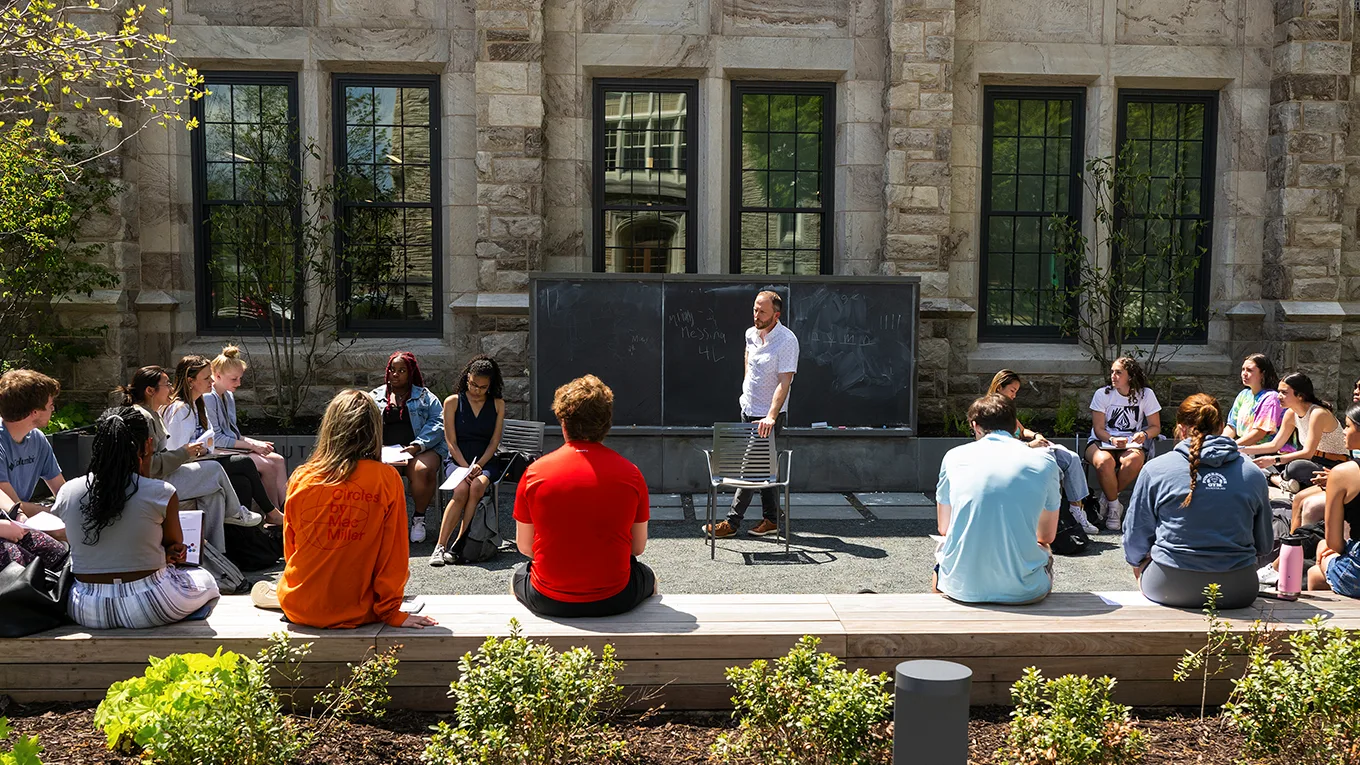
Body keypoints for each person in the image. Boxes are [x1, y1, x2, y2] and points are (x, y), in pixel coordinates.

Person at [272, 390, 436, 629]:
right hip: (356, 610)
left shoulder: (302, 476)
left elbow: (291, 548)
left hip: (298, 604)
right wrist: (391, 612)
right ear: (373, 430)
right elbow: (394, 555)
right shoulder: (386, 478)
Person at [53, 407, 220, 629]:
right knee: (205, 580)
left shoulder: (68, 491)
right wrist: (167, 552)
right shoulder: (161, 492)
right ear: (148, 445)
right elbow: (175, 546)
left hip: (86, 608)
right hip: (151, 606)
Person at [512, 375, 655, 617]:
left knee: (518, 576)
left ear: (563, 423)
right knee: (648, 577)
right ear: (606, 424)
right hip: (614, 598)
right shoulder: (631, 474)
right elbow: (637, 547)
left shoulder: (534, 473)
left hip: (549, 598)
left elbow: (525, 547)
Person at [1123, 394, 1272, 609]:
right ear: (1221, 426)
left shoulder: (1155, 469)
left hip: (1169, 587)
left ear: (1181, 429)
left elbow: (1135, 539)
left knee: (1139, 562)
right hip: (1238, 589)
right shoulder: (1252, 473)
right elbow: (1264, 544)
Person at [934, 393, 1060, 605]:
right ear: (1014, 427)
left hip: (960, 588)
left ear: (975, 426)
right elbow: (1046, 535)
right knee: (1044, 549)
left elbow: (944, 527)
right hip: (1025, 590)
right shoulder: (1045, 462)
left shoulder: (954, 456)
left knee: (943, 554)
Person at [119, 366, 256, 555]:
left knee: (214, 494)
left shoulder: (154, 414)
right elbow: (149, 465)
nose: (171, 388)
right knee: (214, 469)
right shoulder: (143, 418)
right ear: (150, 391)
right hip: (154, 483)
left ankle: (216, 556)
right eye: (166, 384)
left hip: (161, 477)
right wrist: (185, 453)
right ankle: (234, 512)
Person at [702, 289, 798, 539]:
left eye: (762, 312)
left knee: (750, 469)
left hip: (768, 416)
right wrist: (746, 392)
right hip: (748, 410)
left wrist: (771, 416)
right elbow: (748, 360)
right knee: (764, 467)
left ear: (776, 315)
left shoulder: (787, 341)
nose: (756, 315)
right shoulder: (750, 334)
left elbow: (784, 383)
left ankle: (732, 522)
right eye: (755, 309)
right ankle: (773, 518)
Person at [163, 355, 282, 526]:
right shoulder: (180, 410)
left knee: (243, 482)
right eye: (206, 377)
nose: (211, 381)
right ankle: (269, 513)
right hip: (185, 468)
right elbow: (174, 452)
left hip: (202, 458)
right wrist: (198, 450)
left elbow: (210, 437)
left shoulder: (199, 404)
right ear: (191, 381)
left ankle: (247, 539)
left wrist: (204, 449)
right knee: (244, 463)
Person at [988, 369, 1098, 535]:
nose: (1014, 395)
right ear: (999, 388)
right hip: (1016, 454)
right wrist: (1031, 445)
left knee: (1072, 457)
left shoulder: (1008, 408)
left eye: (1016, 391)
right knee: (1050, 459)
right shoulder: (991, 411)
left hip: (1027, 448)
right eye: (1012, 391)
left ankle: (1077, 511)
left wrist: (1036, 435)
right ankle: (1055, 517)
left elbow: (1022, 431)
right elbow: (1000, 446)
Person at [431, 355, 506, 567]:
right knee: (461, 489)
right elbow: (450, 441)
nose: (476, 390)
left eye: (482, 387)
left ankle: (459, 543)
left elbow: (494, 441)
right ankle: (440, 546)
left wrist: (479, 465)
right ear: (467, 378)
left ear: (490, 385)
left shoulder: (498, 404)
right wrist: (465, 467)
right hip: (458, 459)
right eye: (473, 384)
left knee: (477, 487)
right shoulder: (452, 402)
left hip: (485, 460)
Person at [368, 351, 447, 543]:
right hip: (387, 451)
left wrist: (417, 445)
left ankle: (418, 518)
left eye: (401, 370)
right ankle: (386, 520)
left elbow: (439, 422)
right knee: (379, 473)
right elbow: (365, 422)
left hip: (421, 449)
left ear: (410, 373)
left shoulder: (425, 397)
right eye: (392, 370)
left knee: (423, 471)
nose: (395, 374)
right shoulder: (375, 397)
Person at [204, 346, 288, 510]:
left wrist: (254, 442)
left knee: (278, 460)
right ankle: (274, 514)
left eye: (240, 378)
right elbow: (217, 438)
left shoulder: (228, 395)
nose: (239, 383)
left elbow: (233, 433)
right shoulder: (208, 397)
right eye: (234, 379)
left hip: (225, 446)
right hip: (214, 449)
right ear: (218, 375)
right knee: (267, 465)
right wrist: (252, 445)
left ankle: (288, 507)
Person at [1085, 356, 1162, 532]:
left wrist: (1144, 434)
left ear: (1130, 376)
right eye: (1112, 372)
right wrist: (1111, 439)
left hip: (1131, 443)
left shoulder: (1146, 395)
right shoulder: (1102, 394)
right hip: (1102, 441)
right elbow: (1098, 429)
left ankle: (1108, 498)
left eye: (1118, 372)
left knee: (1133, 462)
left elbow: (1155, 427)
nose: (1113, 376)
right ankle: (1114, 507)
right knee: (1105, 462)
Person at [1241, 372, 1347, 494]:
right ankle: (1282, 481)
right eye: (1279, 392)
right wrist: (1242, 449)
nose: (1278, 396)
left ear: (1300, 396)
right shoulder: (1290, 414)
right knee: (1255, 458)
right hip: (1311, 461)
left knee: (1295, 467)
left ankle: (1275, 478)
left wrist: (1274, 460)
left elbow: (1307, 453)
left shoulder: (1317, 413)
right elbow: (1274, 445)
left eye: (1284, 393)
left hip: (1332, 464)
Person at [0, 370, 66, 533]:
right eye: (51, 405)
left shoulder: (37, 438)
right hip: (9, 525)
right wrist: (52, 512)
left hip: (24, 521)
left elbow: (62, 491)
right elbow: (13, 507)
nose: (53, 409)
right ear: (34, 412)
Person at [1307, 402, 1360, 597]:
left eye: (1347, 425)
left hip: (1357, 569)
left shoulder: (1342, 473)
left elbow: (1334, 543)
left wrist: (1324, 549)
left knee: (1322, 548)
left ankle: (1322, 626)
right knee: (1314, 574)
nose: (1344, 431)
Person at [1222, 354, 1286, 448]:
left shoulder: (1271, 398)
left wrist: (1232, 446)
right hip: (1243, 448)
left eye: (1249, 370)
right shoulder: (1243, 395)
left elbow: (1259, 434)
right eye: (1243, 369)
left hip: (1263, 451)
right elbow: (1232, 426)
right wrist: (1219, 443)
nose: (1244, 373)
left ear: (1262, 374)